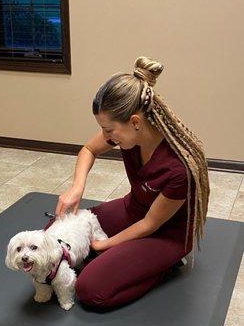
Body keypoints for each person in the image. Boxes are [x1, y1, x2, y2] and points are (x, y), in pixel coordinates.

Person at [44, 56, 210, 310]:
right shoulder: (128, 135)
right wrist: (77, 186)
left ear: (135, 122)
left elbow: (150, 223)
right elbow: (89, 149)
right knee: (55, 231)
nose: (106, 136)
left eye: (109, 130)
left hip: (165, 234)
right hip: (133, 210)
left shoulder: (179, 167)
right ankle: (121, 258)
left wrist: (105, 245)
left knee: (90, 291)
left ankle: (163, 267)